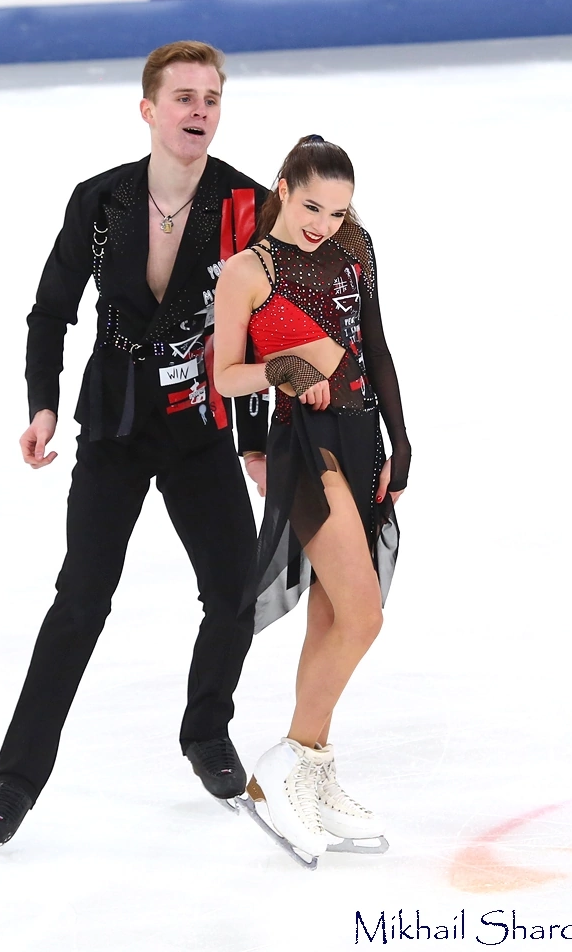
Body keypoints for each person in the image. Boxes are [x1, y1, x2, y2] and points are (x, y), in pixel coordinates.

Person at [0, 41, 270, 847]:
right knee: (81, 599)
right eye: (183, 97)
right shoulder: (101, 200)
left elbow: (257, 331)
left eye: (210, 98)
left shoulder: (247, 206)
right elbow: (50, 311)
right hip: (114, 422)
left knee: (234, 591)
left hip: (199, 422)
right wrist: (41, 405)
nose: (198, 111)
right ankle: (14, 780)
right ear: (148, 109)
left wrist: (253, 441)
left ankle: (205, 731)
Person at [213, 135, 411, 859]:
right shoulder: (248, 269)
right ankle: (286, 766)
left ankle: (315, 772)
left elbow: (373, 345)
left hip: (362, 440)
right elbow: (225, 376)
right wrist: (285, 369)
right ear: (283, 189)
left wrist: (400, 441)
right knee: (363, 615)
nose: (323, 223)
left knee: (331, 616)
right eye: (310, 206)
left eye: (336, 211)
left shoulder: (355, 248)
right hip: (306, 447)